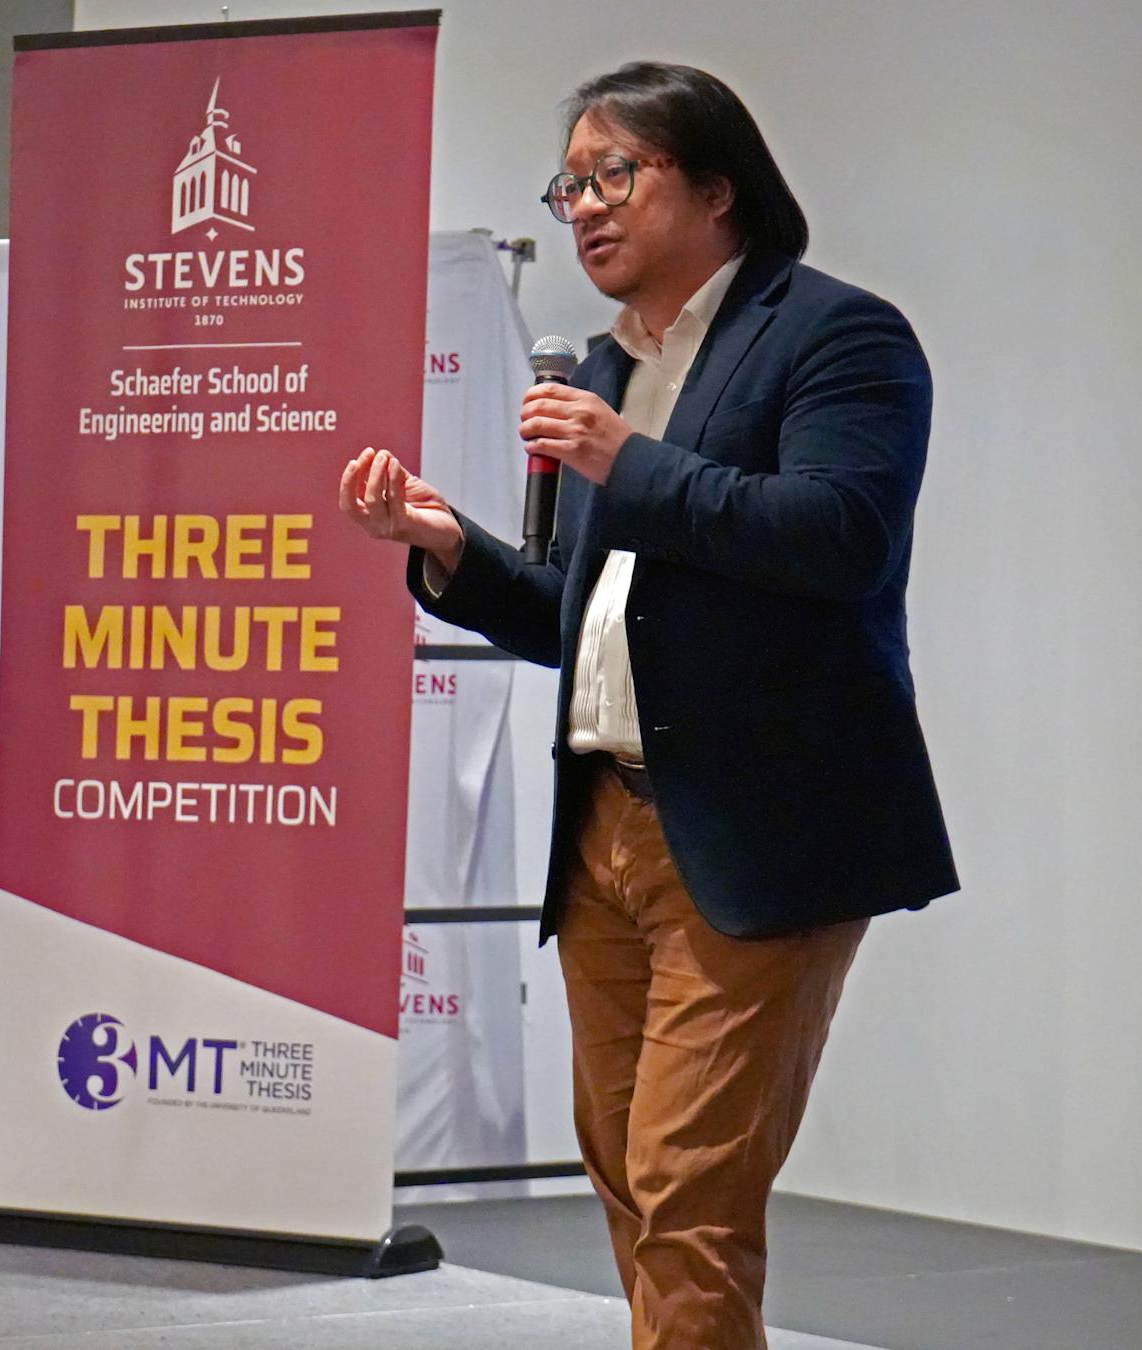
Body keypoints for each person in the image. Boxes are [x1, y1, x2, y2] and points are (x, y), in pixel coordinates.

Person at [338, 62, 958, 1350]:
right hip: (605, 827)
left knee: (690, 1185)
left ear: (718, 186)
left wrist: (633, 463)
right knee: (627, 1167)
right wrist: (449, 547)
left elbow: (840, 536)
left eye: (613, 174)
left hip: (757, 826)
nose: (583, 206)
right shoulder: (609, 374)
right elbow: (587, 613)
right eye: (568, 185)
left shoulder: (837, 335)